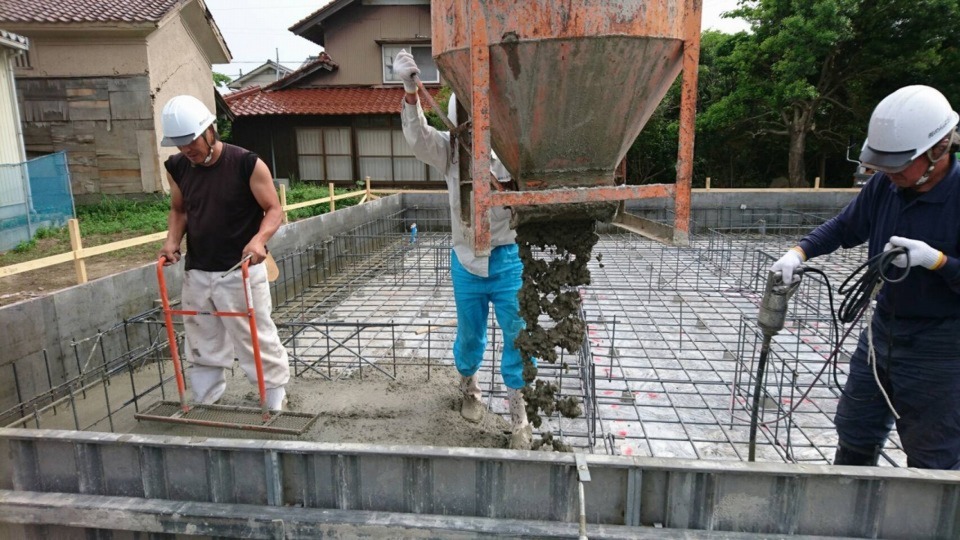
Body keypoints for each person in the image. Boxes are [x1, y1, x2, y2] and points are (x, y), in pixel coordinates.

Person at [771, 85, 960, 469]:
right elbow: (845, 228)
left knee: (933, 452)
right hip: (883, 330)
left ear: (938, 150)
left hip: (941, 343)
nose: (888, 173)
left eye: (899, 165)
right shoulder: (885, 186)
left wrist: (938, 261)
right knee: (856, 429)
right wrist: (799, 251)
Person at [393, 50, 534, 449]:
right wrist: (409, 90)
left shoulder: (512, 152)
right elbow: (418, 137)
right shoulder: (452, 150)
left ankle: (518, 412)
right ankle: (469, 388)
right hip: (465, 259)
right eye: (467, 123)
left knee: (517, 335)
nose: (474, 131)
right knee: (470, 335)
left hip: (507, 257)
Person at [158, 95, 290, 411]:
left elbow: (273, 209)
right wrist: (172, 240)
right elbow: (179, 209)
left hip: (240, 268)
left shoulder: (246, 163)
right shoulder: (178, 167)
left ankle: (273, 402)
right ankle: (206, 401)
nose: (187, 150)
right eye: (179, 145)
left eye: (191, 141)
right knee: (201, 338)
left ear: (210, 130)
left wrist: (259, 240)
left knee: (254, 337)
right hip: (198, 268)